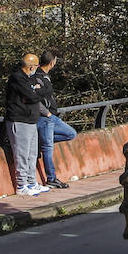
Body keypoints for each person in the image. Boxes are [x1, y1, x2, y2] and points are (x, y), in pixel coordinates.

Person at [6, 53, 49, 196]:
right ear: (31, 66)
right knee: (22, 154)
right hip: (19, 120)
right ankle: (21, 185)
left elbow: (43, 91)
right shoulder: (17, 78)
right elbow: (32, 96)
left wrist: (37, 90)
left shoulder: (29, 79)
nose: (37, 68)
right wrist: (35, 91)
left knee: (32, 154)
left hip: (31, 120)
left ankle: (32, 182)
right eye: (36, 66)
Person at [35, 51, 77, 189]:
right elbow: (34, 98)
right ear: (52, 62)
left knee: (70, 133)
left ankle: (39, 141)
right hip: (44, 117)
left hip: (52, 116)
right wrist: (45, 113)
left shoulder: (45, 76)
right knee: (48, 148)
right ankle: (51, 178)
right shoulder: (38, 76)